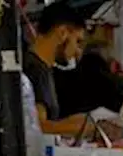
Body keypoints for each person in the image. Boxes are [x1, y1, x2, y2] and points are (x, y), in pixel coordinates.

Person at [23, 1, 91, 134]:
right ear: (62, 33)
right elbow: (37, 127)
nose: (78, 52)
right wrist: (85, 127)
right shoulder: (34, 70)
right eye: (77, 41)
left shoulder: (42, 69)